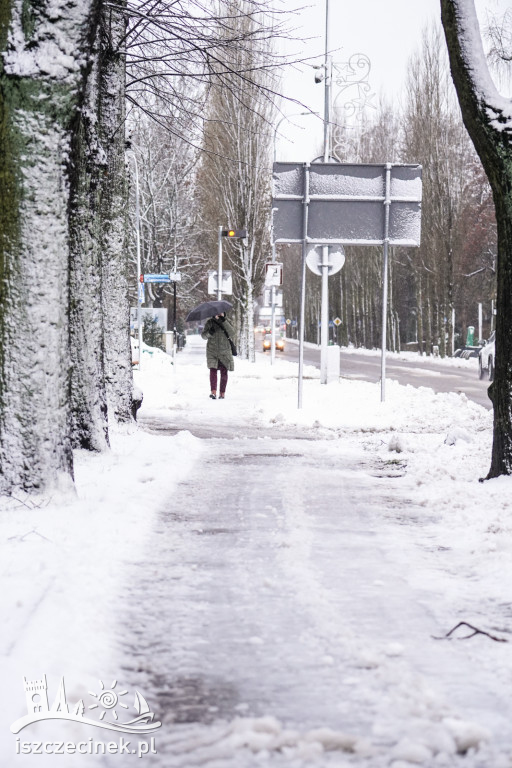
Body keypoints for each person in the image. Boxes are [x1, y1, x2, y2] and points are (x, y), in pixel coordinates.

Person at [201, 312, 235, 399]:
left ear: (224, 313)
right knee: (213, 371)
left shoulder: (227, 321)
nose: (219, 313)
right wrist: (210, 332)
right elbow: (203, 336)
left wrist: (224, 321)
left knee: (224, 371)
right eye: (217, 312)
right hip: (212, 351)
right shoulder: (210, 323)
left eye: (221, 312)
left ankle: (222, 393)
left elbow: (232, 333)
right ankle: (213, 392)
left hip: (225, 351)